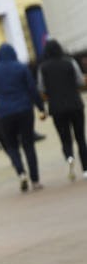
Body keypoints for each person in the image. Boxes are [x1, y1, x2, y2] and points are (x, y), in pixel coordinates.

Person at [0, 43, 46, 192]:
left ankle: (21, 173)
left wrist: (0, 97)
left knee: (11, 145)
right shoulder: (20, 67)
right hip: (25, 109)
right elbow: (32, 89)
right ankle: (35, 180)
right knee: (28, 144)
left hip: (4, 113)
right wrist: (41, 108)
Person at [37, 38, 87, 180]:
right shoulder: (70, 62)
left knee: (64, 137)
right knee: (80, 137)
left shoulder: (43, 67)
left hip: (57, 108)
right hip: (75, 104)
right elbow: (79, 81)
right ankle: (85, 169)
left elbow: (41, 88)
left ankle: (69, 157)